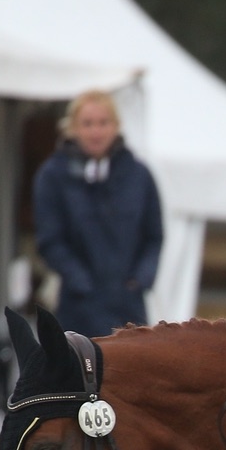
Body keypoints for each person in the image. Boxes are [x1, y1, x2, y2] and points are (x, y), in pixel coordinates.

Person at [33, 89, 163, 339]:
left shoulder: (139, 176)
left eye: (103, 123)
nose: (96, 131)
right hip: (78, 306)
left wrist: (139, 280)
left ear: (116, 126)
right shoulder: (54, 176)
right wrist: (80, 281)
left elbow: (153, 235)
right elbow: (50, 240)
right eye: (88, 124)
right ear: (73, 128)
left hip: (128, 306)